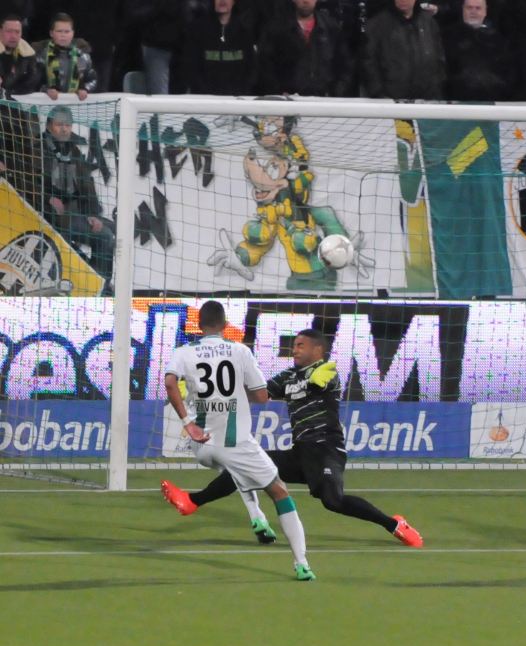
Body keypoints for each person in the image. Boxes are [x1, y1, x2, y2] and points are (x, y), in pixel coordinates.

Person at [162, 328, 425, 548]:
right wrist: (199, 387)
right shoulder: (289, 375)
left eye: (301, 345)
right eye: (294, 345)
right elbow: (260, 395)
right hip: (299, 452)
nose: (295, 350)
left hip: (326, 448)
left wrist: (305, 383)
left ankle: (393, 524)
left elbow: (317, 385)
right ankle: (192, 501)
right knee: (241, 469)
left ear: (317, 350)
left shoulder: (328, 371)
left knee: (333, 502)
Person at [163, 301, 316, 581]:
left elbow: (170, 383)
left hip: (200, 444)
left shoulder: (183, 352)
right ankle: (301, 562)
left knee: (234, 472)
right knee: (280, 492)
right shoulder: (240, 351)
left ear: (199, 325)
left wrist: (187, 423)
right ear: (224, 325)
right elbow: (261, 397)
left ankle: (256, 516)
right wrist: (235, 393)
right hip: (234, 443)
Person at [41, 105, 115, 286]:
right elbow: (28, 181)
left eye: (68, 125)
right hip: (47, 213)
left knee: (109, 232)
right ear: (50, 126)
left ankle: (99, 284)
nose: (64, 129)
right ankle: (91, 283)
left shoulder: (74, 152)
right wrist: (46, 198)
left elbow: (87, 188)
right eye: (59, 125)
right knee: (96, 235)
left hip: (74, 213)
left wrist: (93, 215)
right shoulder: (38, 148)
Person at [258, 0, 355, 97]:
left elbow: (344, 66)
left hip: (324, 101)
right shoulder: (276, 29)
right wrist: (278, 94)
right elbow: (265, 65)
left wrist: (335, 93)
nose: (306, 1)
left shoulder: (331, 28)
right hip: (286, 102)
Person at [361, 0, 446, 99]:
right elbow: (368, 64)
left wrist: (436, 88)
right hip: (390, 103)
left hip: (427, 101)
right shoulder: (377, 25)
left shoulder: (429, 22)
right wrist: (379, 95)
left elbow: (439, 59)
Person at [442, 0, 514, 101]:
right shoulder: (447, 38)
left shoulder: (498, 41)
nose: (473, 12)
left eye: (478, 8)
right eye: (469, 8)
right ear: (463, 9)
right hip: (456, 102)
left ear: (485, 11)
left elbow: (508, 73)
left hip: (492, 103)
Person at [33, 12, 96, 100]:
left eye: (67, 31)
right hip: (47, 106)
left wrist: (85, 89)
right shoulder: (41, 56)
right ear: (51, 33)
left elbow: (92, 80)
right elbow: (33, 82)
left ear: (72, 33)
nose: (63, 35)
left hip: (75, 107)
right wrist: (46, 90)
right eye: (59, 31)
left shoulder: (83, 57)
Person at [0, 13, 39, 95]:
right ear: (0, 31)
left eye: (17, 32)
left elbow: (31, 83)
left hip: (17, 101)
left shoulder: (28, 54)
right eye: (9, 31)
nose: (13, 36)